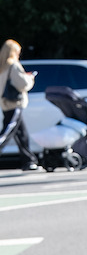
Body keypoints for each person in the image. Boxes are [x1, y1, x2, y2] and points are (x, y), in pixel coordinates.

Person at [0, 40, 38, 171]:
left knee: (21, 134)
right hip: (14, 103)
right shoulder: (13, 66)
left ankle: (29, 160)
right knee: (6, 133)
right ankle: (29, 161)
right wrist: (30, 78)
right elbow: (22, 84)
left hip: (5, 103)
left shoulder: (2, 66)